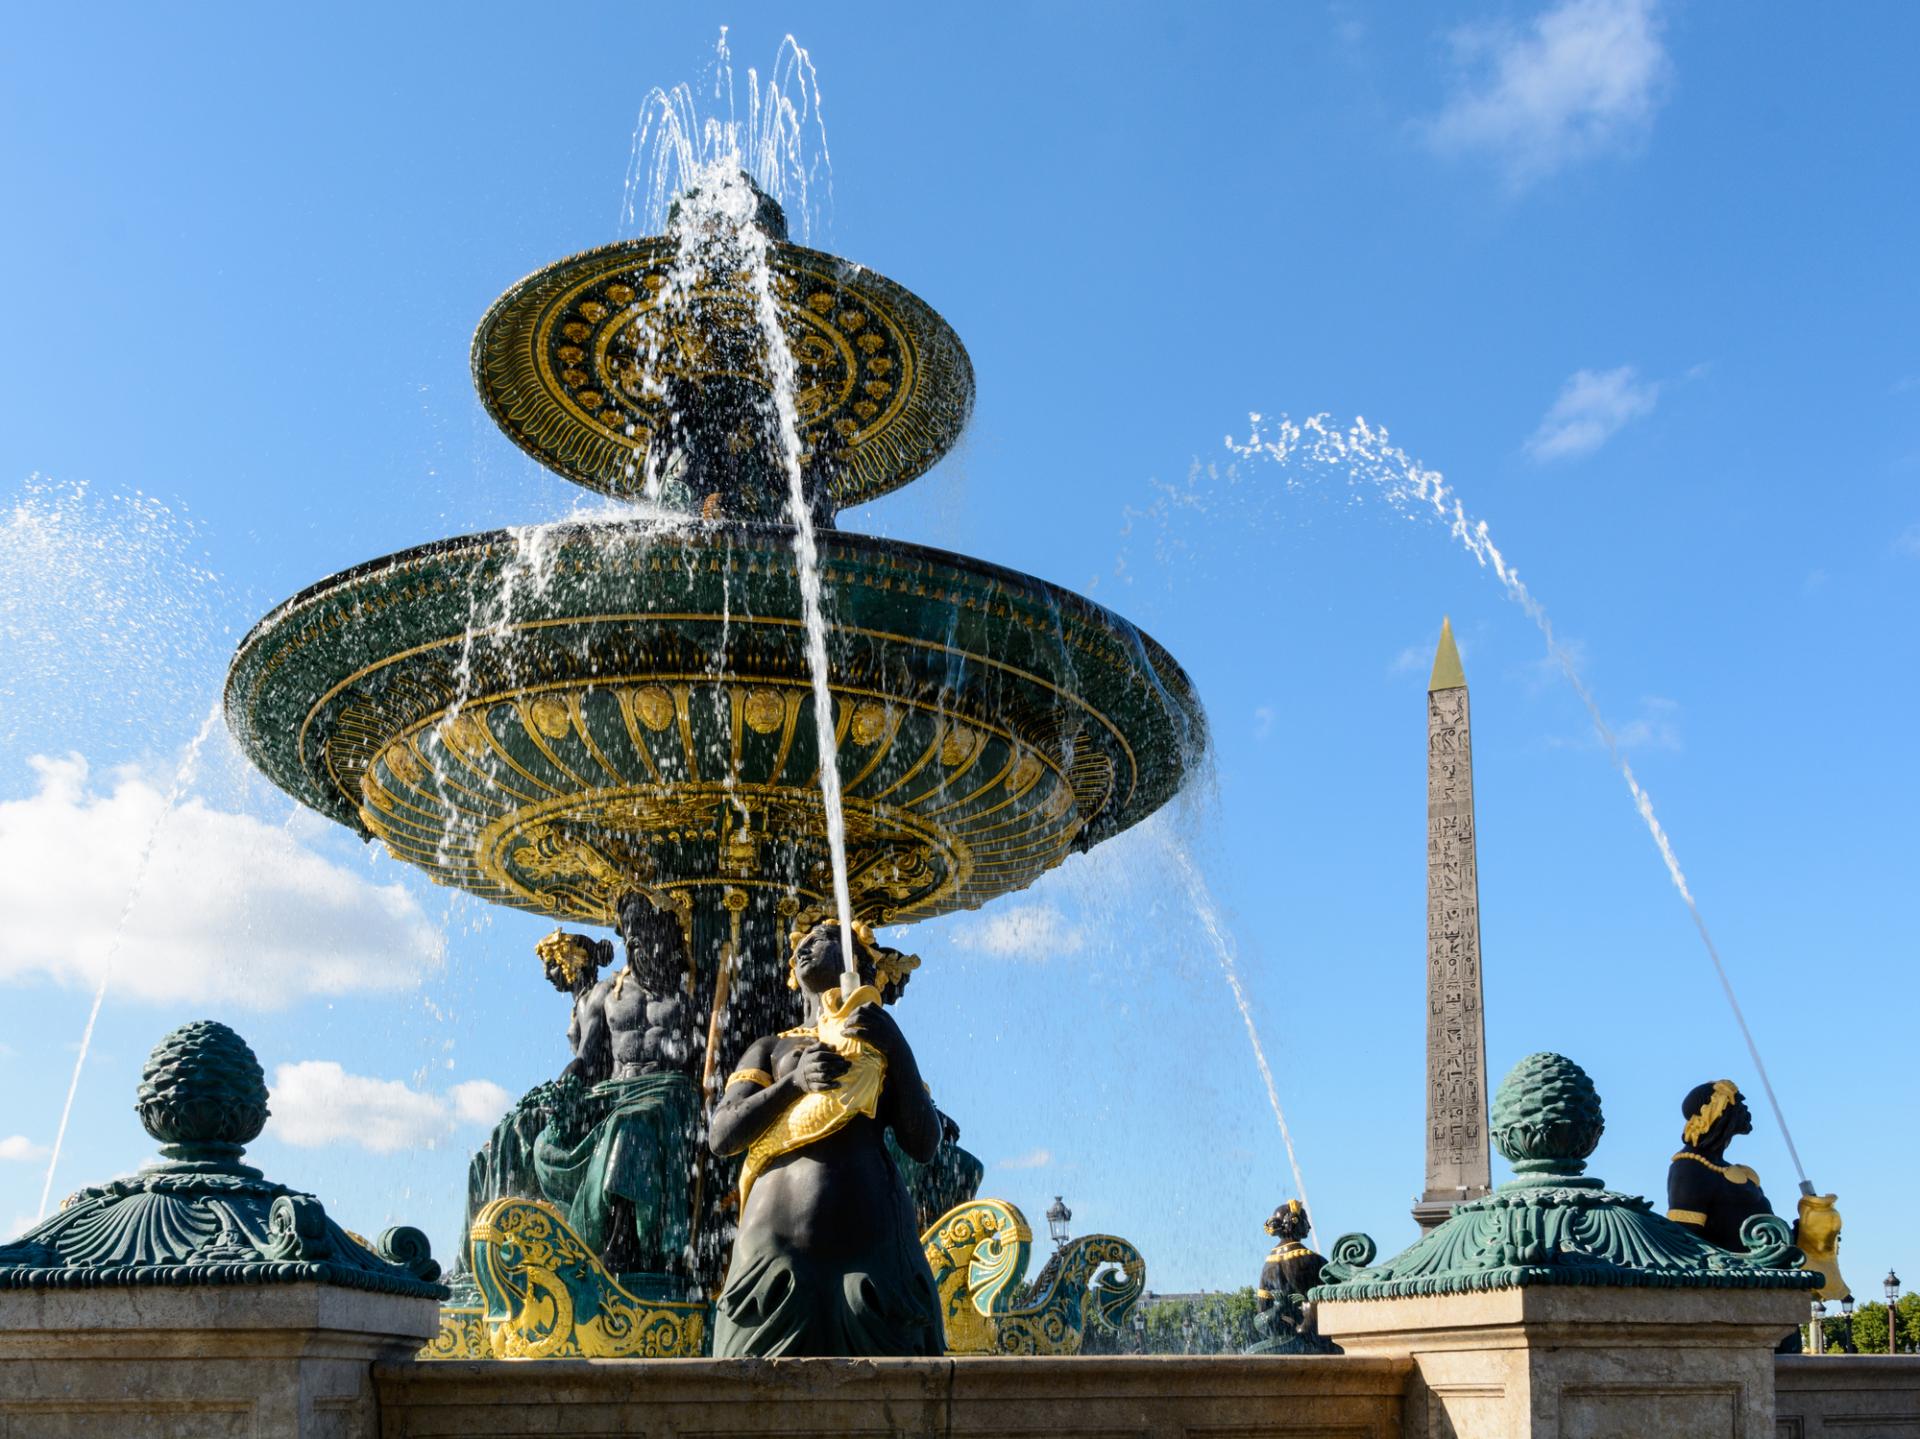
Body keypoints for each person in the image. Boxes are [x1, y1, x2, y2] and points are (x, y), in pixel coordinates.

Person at [707, 918, 943, 1356]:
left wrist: (898, 1048)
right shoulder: (770, 1048)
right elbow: (722, 1135)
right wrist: (793, 1083)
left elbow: (924, 1143)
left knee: (898, 1394)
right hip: (773, 1253)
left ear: (857, 963)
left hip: (875, 1257)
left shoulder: (878, 1045)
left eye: (824, 938)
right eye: (802, 942)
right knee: (745, 1392)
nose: (805, 946)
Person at [532, 892, 699, 1282]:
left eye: (647, 930)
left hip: (668, 1092)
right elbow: (588, 1057)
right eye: (631, 932)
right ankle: (542, 1241)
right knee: (535, 1134)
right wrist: (566, 1085)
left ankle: (623, 1243)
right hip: (614, 1091)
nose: (637, 941)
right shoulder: (609, 992)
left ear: (669, 934)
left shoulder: (693, 985)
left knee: (630, 1126)